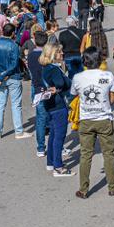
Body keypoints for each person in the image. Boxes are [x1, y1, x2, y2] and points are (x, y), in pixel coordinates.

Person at [71, 47, 114, 199]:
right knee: (108, 153)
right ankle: (113, 186)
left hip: (86, 119)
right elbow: (113, 98)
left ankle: (83, 189)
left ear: (84, 61)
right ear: (99, 60)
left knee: (85, 154)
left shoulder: (78, 77)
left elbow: (74, 94)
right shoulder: (108, 76)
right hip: (104, 118)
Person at [0, 23, 28, 140]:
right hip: (12, 76)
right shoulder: (14, 45)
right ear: (13, 33)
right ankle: (18, 131)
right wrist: (4, 74)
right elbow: (14, 64)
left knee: (0, 104)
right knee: (16, 105)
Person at [39, 42, 73, 178]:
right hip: (58, 105)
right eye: (59, 52)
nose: (62, 54)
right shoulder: (53, 69)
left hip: (50, 105)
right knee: (59, 136)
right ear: (53, 54)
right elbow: (60, 83)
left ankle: (51, 162)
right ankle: (58, 167)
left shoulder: (46, 67)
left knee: (53, 134)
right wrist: (62, 84)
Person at [58, 16, 86, 82]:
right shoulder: (82, 32)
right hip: (80, 55)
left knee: (71, 75)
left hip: (68, 56)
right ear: (74, 23)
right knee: (81, 75)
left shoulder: (62, 34)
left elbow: (61, 47)